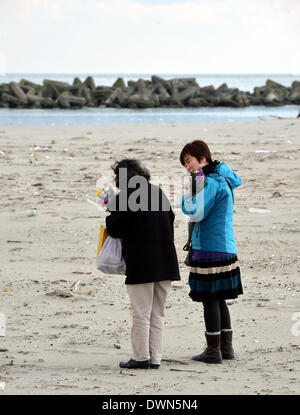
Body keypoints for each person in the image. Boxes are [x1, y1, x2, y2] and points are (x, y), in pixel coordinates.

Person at [105, 159, 180, 369]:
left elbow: (114, 228)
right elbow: (170, 220)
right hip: (166, 262)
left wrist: (110, 211)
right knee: (157, 314)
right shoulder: (158, 193)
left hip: (141, 263)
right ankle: (155, 358)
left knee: (141, 314)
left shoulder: (127, 196)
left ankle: (140, 358)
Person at [180, 140, 243, 364]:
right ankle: (226, 348)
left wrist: (184, 199)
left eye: (188, 161)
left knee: (210, 299)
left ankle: (213, 350)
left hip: (210, 248)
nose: (187, 166)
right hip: (225, 246)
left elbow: (196, 213)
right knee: (220, 299)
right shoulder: (221, 177)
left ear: (202, 157)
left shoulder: (212, 182)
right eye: (184, 163)